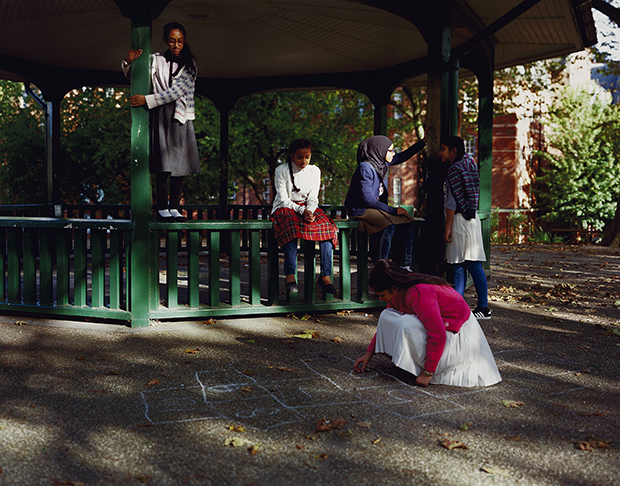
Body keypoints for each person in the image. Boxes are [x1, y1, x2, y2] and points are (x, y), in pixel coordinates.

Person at [353, 259, 501, 387]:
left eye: (382, 295)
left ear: (394, 288)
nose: (380, 299)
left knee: (405, 323)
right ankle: (417, 362)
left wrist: (428, 373)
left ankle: (430, 366)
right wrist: (369, 353)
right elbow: (385, 324)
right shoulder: (398, 289)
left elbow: (437, 334)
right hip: (444, 326)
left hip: (459, 333)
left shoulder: (418, 293)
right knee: (387, 315)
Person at [122, 22, 201, 222]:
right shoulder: (155, 60)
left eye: (180, 41)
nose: (176, 45)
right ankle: (162, 207)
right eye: (173, 41)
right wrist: (127, 62)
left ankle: (175, 207)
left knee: (179, 164)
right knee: (162, 164)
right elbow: (134, 75)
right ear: (166, 40)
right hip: (160, 116)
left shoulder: (190, 64)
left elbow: (177, 92)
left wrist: (147, 100)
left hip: (180, 116)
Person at [344, 135, 425, 269]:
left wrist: (422, 142)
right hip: (360, 209)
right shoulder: (366, 168)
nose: (393, 153)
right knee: (389, 224)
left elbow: (403, 156)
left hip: (373, 208)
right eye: (391, 151)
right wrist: (393, 210)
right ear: (379, 150)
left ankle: (404, 266)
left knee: (408, 220)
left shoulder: (381, 163)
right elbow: (367, 199)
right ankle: (382, 266)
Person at [270, 139, 338, 294]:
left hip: (308, 207)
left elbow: (313, 197)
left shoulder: (315, 171)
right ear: (292, 156)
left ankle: (326, 275)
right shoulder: (282, 170)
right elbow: (283, 199)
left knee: (327, 227)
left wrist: (310, 211)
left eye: (307, 157)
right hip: (286, 207)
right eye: (300, 157)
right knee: (292, 228)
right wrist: (301, 211)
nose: (304, 161)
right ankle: (290, 276)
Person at [440, 136, 491, 319]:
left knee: (468, 264)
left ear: (453, 150)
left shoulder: (454, 170)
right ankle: (460, 307)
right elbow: (459, 145)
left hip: (460, 220)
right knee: (460, 264)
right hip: (472, 218)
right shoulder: (468, 161)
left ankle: (483, 308)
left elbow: (452, 202)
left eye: (443, 148)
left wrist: (447, 227)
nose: (440, 152)